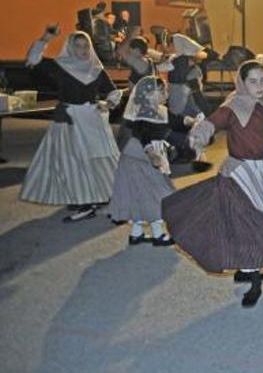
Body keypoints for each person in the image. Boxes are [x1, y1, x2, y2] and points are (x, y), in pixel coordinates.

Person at [162, 61, 263, 308]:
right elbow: (211, 123)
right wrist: (199, 136)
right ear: (241, 82)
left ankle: (250, 265)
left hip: (261, 172)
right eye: (253, 81)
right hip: (238, 172)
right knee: (248, 218)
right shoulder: (231, 107)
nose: (259, 86)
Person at [20, 26, 123, 223]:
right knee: (69, 161)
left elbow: (113, 91)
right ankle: (82, 197)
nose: (83, 50)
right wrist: (46, 38)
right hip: (67, 119)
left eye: (86, 46)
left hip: (92, 119)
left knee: (97, 160)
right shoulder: (61, 66)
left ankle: (95, 198)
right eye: (78, 46)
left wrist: (109, 103)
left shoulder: (96, 69)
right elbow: (33, 60)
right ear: (70, 47)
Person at [108, 76, 176, 246]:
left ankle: (136, 234)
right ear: (150, 94)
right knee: (155, 196)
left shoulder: (145, 112)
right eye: (163, 91)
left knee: (140, 197)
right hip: (141, 161)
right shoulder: (141, 115)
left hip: (136, 162)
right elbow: (135, 141)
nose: (166, 95)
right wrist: (152, 155)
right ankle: (158, 234)